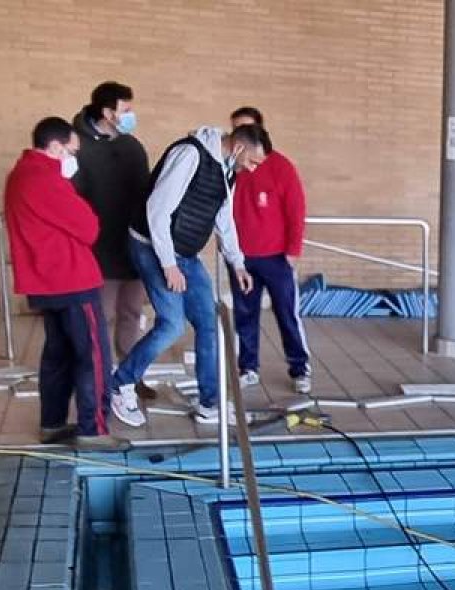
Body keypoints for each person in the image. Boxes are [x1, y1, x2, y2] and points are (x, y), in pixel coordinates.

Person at [108, 125, 263, 427]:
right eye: (253, 162)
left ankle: (209, 403)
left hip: (185, 253)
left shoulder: (228, 169)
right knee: (171, 325)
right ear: (240, 148)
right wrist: (168, 265)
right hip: (150, 246)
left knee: (209, 321)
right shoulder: (189, 154)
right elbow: (157, 209)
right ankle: (120, 384)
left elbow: (224, 218)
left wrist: (238, 263)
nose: (253, 170)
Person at [3, 117, 129, 450]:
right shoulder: (45, 178)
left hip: (44, 281)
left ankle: (52, 422)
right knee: (94, 355)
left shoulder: (20, 174)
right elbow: (88, 227)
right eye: (71, 150)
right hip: (70, 280)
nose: (73, 158)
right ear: (55, 146)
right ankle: (94, 429)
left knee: (57, 354)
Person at [71, 81, 158, 400]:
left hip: (132, 247)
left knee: (131, 313)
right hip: (96, 250)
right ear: (108, 112)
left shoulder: (132, 146)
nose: (131, 115)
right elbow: (71, 201)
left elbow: (146, 192)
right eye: (126, 110)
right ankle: (95, 380)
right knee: (98, 318)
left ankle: (129, 376)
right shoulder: (77, 146)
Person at [228, 107, 312, 394]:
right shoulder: (230, 168)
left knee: (286, 313)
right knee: (245, 314)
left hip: (276, 257)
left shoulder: (281, 167)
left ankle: (299, 368)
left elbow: (296, 210)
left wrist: (293, 249)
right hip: (242, 258)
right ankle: (248, 367)